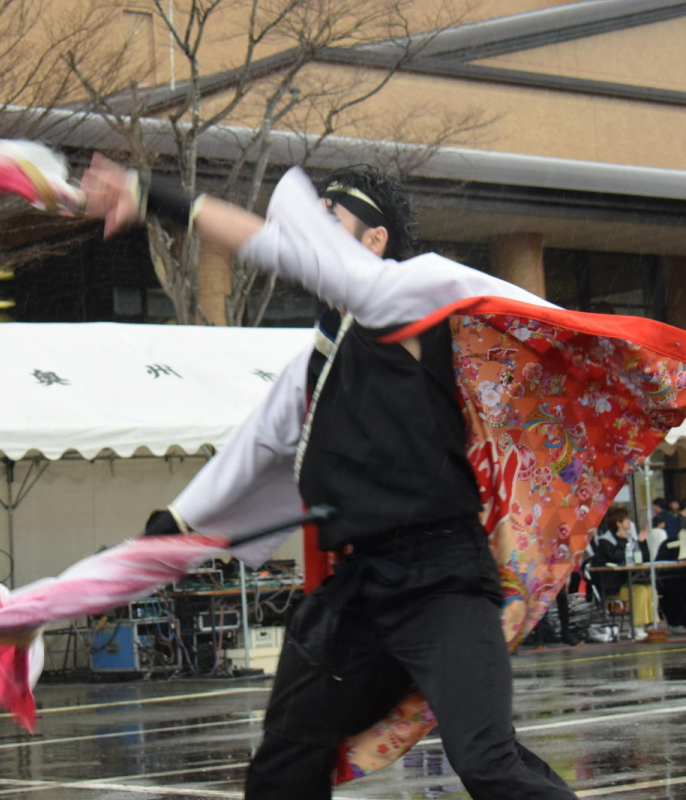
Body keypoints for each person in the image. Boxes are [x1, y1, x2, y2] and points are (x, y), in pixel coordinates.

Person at [84, 157, 578, 799]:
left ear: (374, 242)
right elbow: (254, 450)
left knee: (485, 758)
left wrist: (155, 195)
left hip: (443, 582)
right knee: (285, 762)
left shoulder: (409, 296)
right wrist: (170, 530)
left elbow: (270, 245)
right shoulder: (315, 361)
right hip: (359, 594)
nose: (309, 236)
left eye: (328, 221)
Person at [590, 507, 652, 638]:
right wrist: (623, 543)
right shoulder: (605, 541)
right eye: (626, 519)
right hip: (614, 586)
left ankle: (647, 625)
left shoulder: (630, 538)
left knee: (649, 589)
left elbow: (644, 558)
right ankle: (636, 627)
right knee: (639, 591)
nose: (629, 522)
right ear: (619, 523)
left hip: (628, 581)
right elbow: (617, 557)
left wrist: (641, 542)